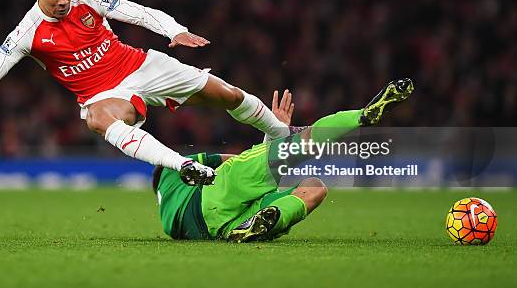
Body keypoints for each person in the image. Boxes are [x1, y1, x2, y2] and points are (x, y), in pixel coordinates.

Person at [0, 0, 295, 184]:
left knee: (228, 95)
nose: (64, 1)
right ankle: (181, 165)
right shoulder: (26, 34)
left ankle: (281, 136)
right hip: (104, 94)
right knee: (97, 118)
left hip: (140, 65)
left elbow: (138, 12)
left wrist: (175, 31)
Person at [152, 79, 414, 242]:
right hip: (216, 195)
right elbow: (235, 159)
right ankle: (363, 116)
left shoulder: (168, 223)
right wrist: (278, 136)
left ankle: (258, 225)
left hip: (218, 227)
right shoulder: (170, 167)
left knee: (313, 188)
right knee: (305, 145)